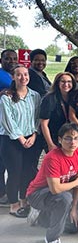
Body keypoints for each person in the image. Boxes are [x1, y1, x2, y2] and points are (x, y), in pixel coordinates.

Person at [26, 123, 78, 243]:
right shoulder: (52, 158)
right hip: (37, 194)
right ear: (59, 140)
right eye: (68, 138)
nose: (72, 142)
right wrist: (76, 183)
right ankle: (52, 238)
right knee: (65, 198)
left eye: (76, 138)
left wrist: (74, 209)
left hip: (56, 195)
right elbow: (56, 189)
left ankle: (42, 217)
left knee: (73, 227)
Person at [0, 64, 41, 218]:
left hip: (31, 138)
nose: (23, 78)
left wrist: (34, 135)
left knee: (27, 172)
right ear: (13, 77)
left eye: (26, 75)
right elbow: (7, 121)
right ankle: (14, 205)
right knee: (14, 172)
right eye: (19, 75)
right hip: (11, 140)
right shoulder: (6, 97)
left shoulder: (35, 96)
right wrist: (21, 138)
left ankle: (24, 200)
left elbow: (37, 117)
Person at [40, 72, 77, 151]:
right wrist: (50, 144)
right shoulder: (49, 99)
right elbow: (44, 124)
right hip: (54, 137)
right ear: (57, 83)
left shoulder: (75, 97)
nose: (66, 84)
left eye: (69, 82)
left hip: (70, 137)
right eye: (63, 81)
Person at [0, 49, 18, 205]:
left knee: (10, 162)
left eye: (14, 58)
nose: (11, 61)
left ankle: (8, 192)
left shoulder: (17, 74)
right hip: (1, 125)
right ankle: (1, 194)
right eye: (7, 58)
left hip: (15, 126)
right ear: (1, 60)